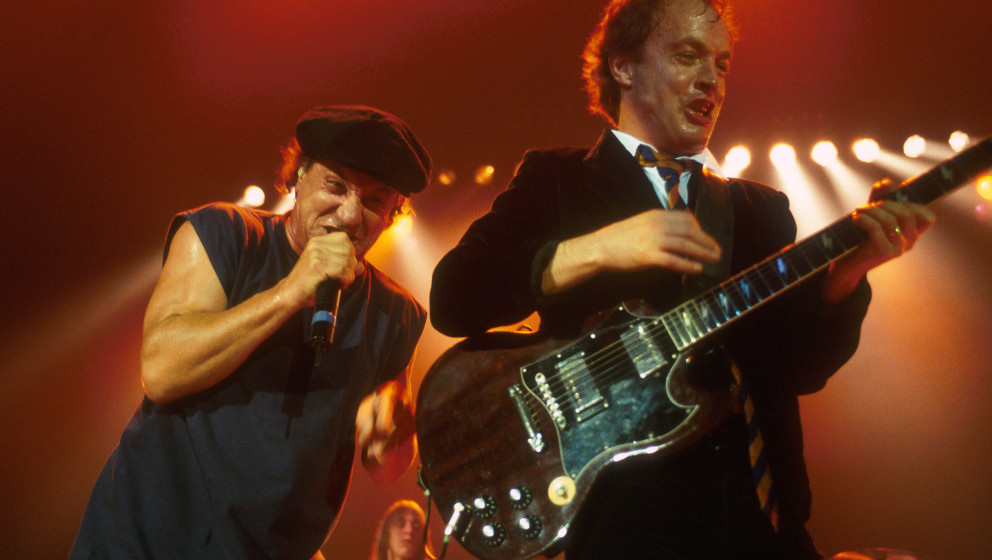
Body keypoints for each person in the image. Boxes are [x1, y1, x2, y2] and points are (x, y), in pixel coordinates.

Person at [428, 1, 934, 559]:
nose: (711, 80)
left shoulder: (758, 210)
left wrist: (847, 274)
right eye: (687, 56)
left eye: (722, 64)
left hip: (757, 522)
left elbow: (798, 370)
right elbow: (454, 297)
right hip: (620, 531)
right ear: (624, 66)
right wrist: (598, 248)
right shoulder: (557, 180)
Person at [71, 105, 432, 560]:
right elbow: (161, 372)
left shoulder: (395, 312)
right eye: (335, 186)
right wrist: (291, 292)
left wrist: (392, 432)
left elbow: (387, 467)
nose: (349, 215)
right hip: (147, 543)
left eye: (375, 201)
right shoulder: (223, 234)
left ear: (394, 213)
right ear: (297, 177)